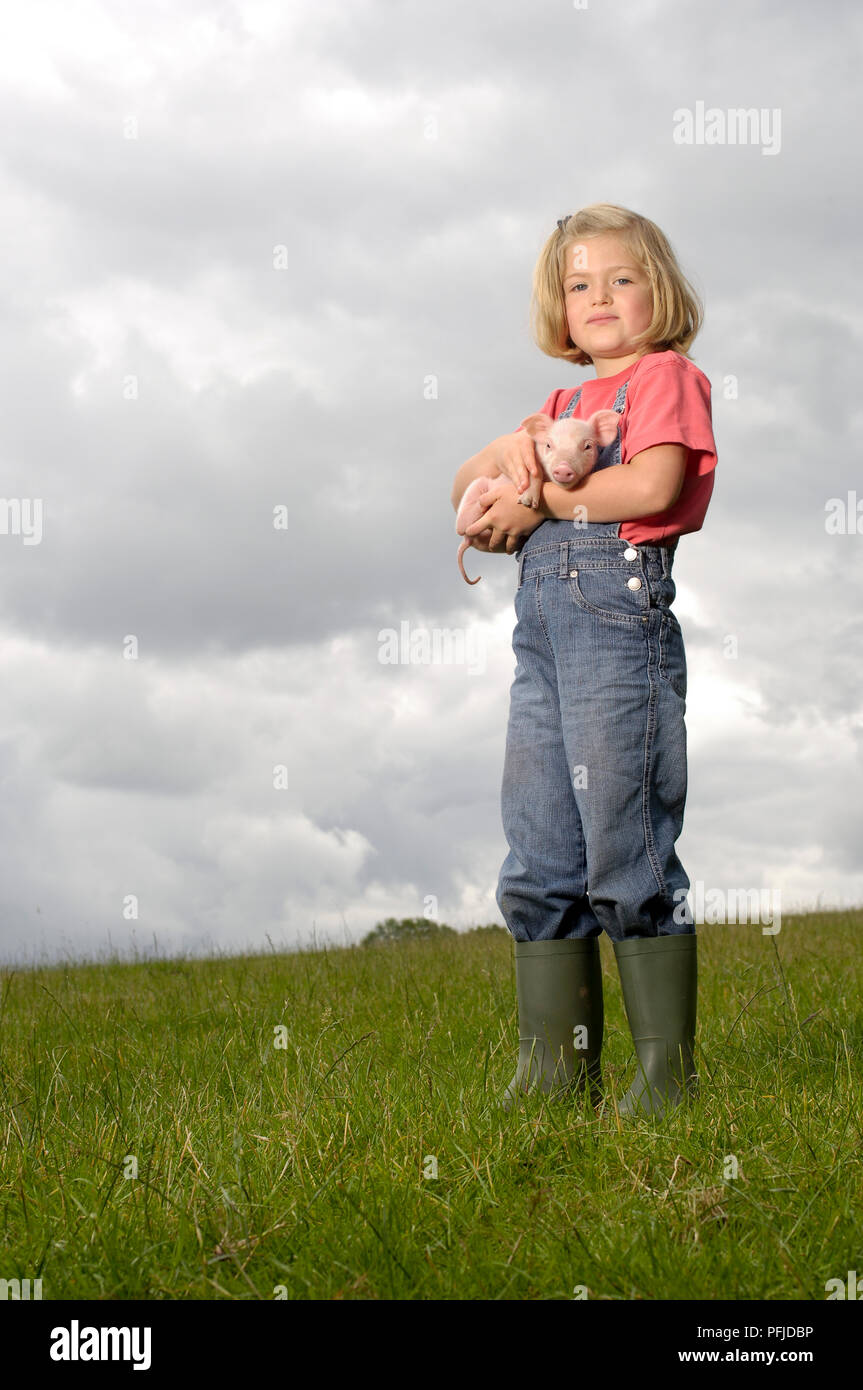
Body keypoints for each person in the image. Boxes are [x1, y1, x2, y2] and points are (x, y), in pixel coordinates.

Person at [450, 203, 718, 1120]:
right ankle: (555, 1074)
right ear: (556, 309)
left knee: (625, 844)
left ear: (660, 290)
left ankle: (663, 1083)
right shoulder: (556, 409)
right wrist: (497, 484)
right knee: (537, 850)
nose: (597, 297)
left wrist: (541, 509)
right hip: (544, 634)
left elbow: (652, 486)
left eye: (620, 278)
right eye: (577, 284)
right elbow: (466, 491)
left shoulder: (663, 378)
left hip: (616, 616)